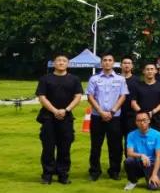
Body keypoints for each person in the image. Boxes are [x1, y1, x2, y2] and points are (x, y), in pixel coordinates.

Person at [35, 53, 83, 184]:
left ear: (68, 64)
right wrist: (55, 110)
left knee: (65, 148)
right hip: (48, 118)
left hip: (66, 118)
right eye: (58, 60)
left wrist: (66, 110)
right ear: (54, 63)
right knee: (48, 148)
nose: (61, 63)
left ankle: (63, 174)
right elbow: (42, 97)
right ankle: (47, 175)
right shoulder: (45, 79)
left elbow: (78, 96)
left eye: (64, 61)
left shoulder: (74, 79)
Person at [86, 53, 129, 182]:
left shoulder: (120, 79)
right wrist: (100, 111)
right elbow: (90, 96)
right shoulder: (94, 79)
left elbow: (123, 96)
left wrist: (112, 111)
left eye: (110, 60)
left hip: (114, 117)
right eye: (105, 60)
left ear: (113, 63)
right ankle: (94, 171)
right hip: (97, 117)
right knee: (96, 146)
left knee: (115, 146)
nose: (107, 62)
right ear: (101, 63)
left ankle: (114, 171)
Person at [124, 111, 160, 191]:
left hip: (151, 164)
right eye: (139, 120)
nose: (142, 123)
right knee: (128, 161)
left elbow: (158, 157)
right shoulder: (131, 135)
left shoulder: (158, 135)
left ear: (149, 120)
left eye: (144, 120)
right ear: (136, 122)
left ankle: (152, 176)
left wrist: (154, 175)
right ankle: (132, 181)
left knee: (154, 187)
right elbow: (129, 153)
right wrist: (141, 155)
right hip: (138, 163)